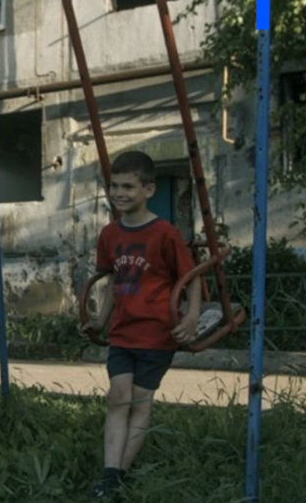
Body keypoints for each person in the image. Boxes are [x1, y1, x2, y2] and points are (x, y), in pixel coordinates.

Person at [81, 150, 201, 499]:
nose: (119, 193)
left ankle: (116, 477)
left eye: (128, 186)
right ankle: (110, 474)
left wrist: (191, 316)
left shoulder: (165, 233)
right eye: (114, 186)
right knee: (118, 397)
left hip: (156, 332)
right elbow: (113, 282)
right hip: (122, 330)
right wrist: (100, 321)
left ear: (148, 190)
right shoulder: (109, 234)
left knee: (140, 400)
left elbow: (191, 277)